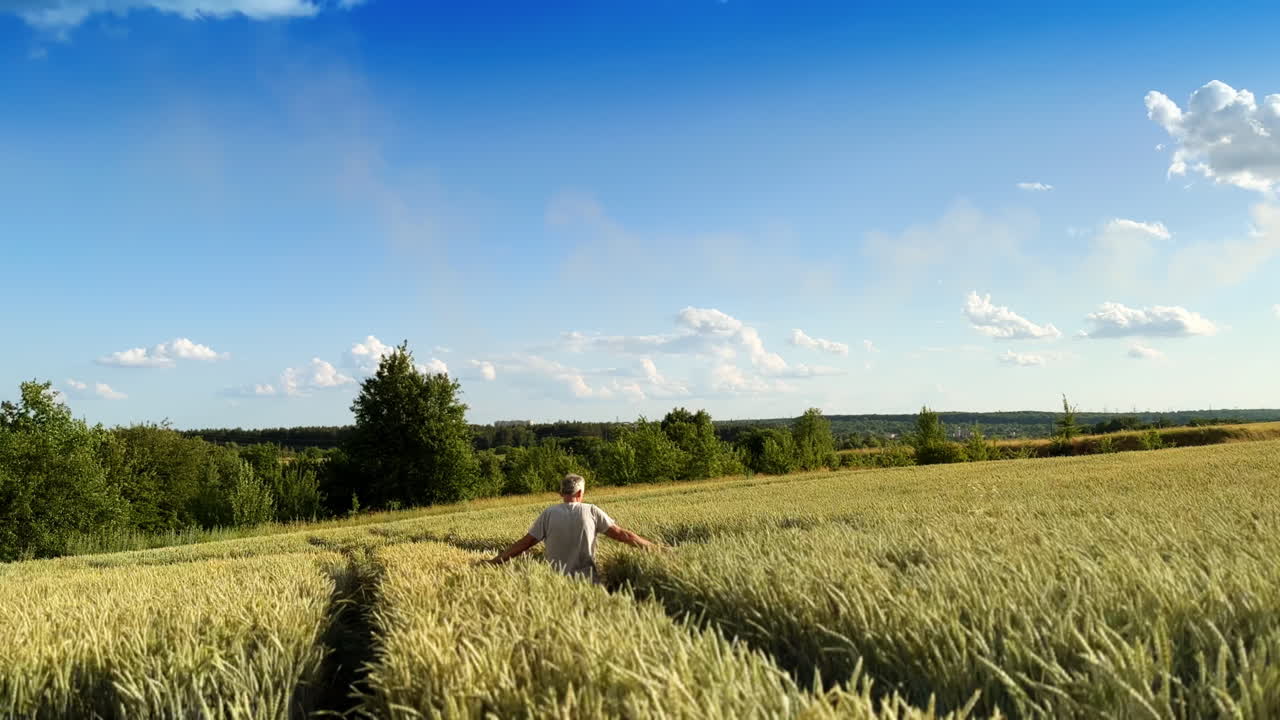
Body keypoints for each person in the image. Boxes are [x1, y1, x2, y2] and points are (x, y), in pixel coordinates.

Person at [487, 473, 660, 581]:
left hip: (557, 583)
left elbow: (524, 544)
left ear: (561, 493)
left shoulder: (548, 513)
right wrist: (658, 549)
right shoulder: (591, 511)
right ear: (580, 493)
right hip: (588, 582)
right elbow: (624, 535)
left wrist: (494, 562)